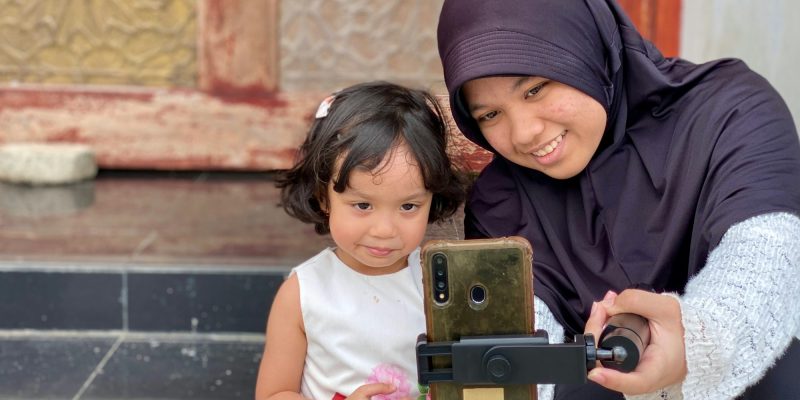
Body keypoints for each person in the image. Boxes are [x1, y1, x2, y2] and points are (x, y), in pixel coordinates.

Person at [436, 0, 800, 399]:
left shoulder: (730, 113)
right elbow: (516, 368)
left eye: (535, 89)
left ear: (586, 49)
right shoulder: (500, 201)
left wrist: (695, 343)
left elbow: (766, 260)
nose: (522, 133)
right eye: (489, 115)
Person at [254, 81, 466, 400]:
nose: (384, 229)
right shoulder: (305, 292)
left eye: (408, 206)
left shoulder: (439, 284)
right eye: (363, 205)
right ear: (323, 197)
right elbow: (274, 393)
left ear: (431, 199)